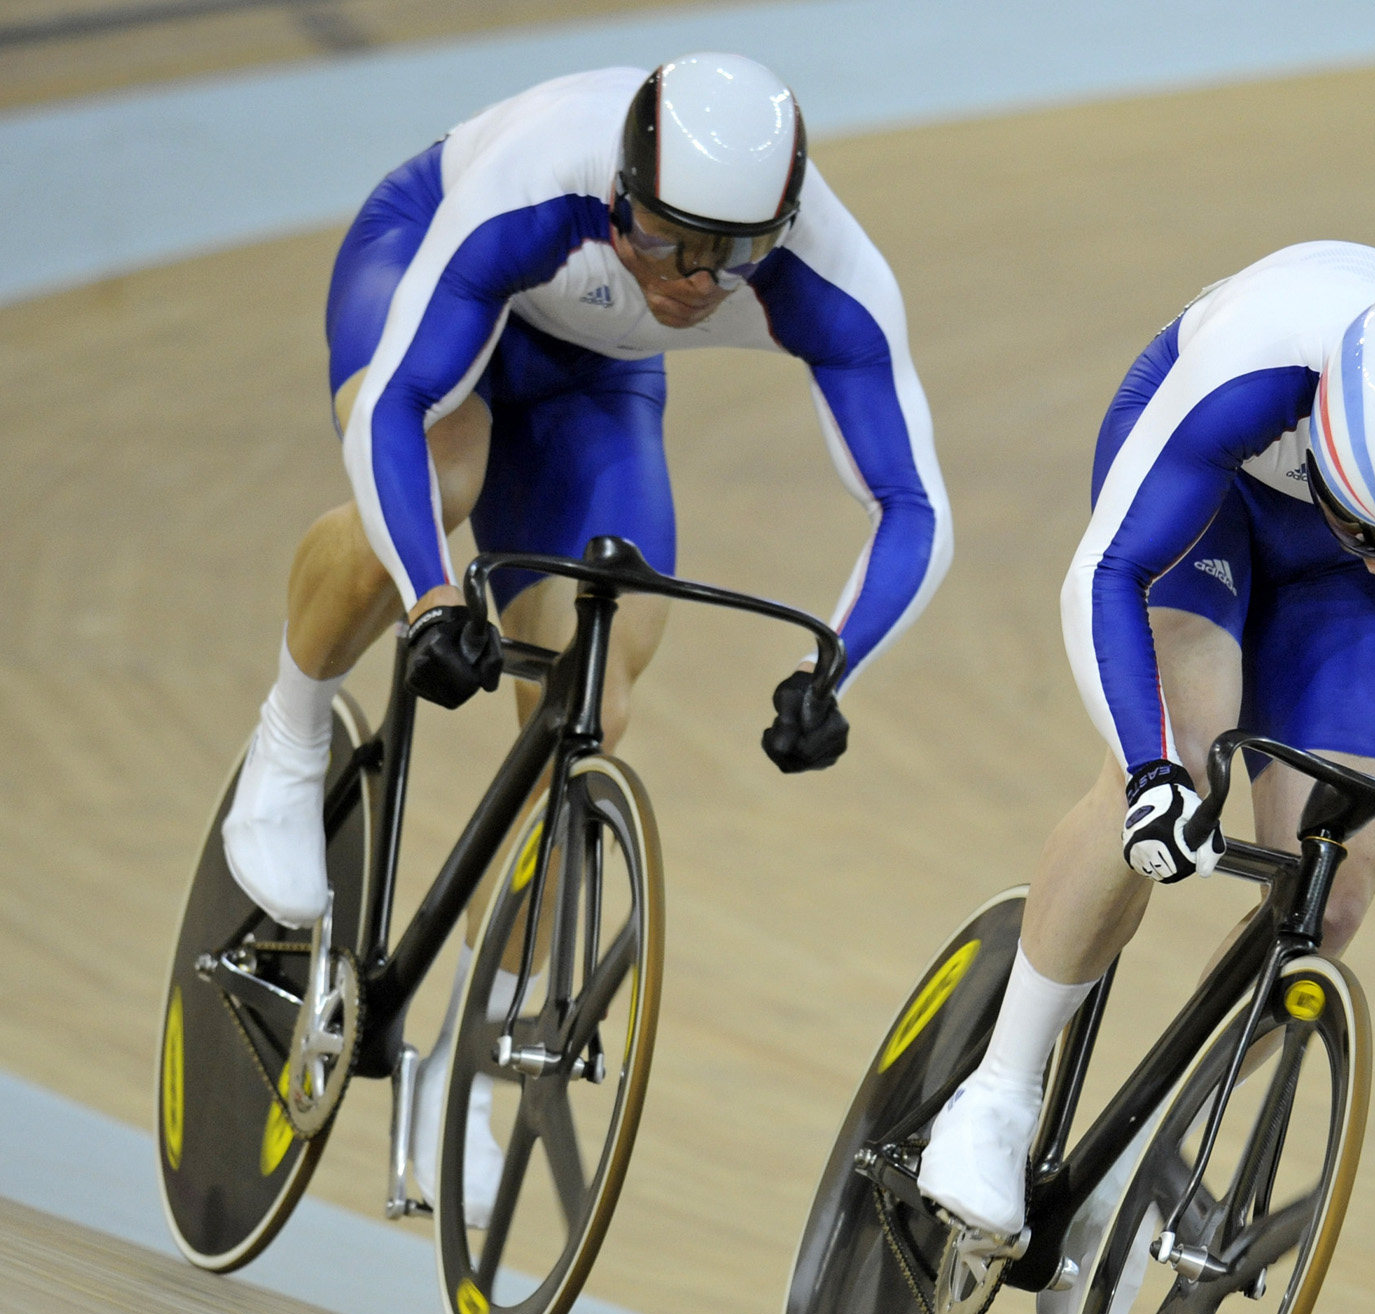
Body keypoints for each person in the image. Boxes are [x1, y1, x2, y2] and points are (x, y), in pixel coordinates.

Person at [219, 53, 953, 1219]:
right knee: (444, 475)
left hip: (593, 379)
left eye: (733, 256)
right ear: (620, 194)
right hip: (429, 264)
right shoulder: (538, 186)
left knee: (591, 707)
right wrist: (428, 600)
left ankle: (451, 1056)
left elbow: (915, 506)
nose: (695, 281)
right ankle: (291, 730)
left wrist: (836, 663)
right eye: (667, 240)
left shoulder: (827, 273)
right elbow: (404, 410)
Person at [916, 242, 1375, 1239]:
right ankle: (998, 1092)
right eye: (1361, 521)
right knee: (1182, 758)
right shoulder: (1254, 363)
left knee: (1335, 885)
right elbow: (1103, 572)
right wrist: (1150, 774)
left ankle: (1140, 1161)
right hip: (1217, 495)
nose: (1373, 547)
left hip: (1351, 588)